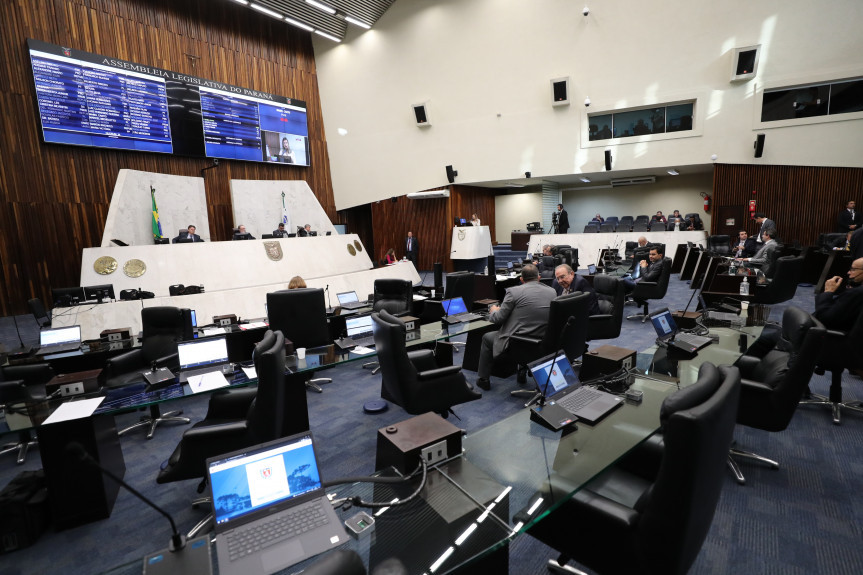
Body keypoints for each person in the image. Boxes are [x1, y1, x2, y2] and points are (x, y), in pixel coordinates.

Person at [475, 264, 556, 390]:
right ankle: (521, 370)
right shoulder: (552, 291)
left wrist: (493, 310)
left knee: (487, 337)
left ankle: (483, 379)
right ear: (539, 277)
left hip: (517, 343)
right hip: (543, 341)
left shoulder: (513, 292)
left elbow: (498, 319)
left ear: (522, 279)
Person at [814, 257, 863, 333]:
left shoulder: (856, 293)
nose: (848, 272)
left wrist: (828, 292)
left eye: (853, 269)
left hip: (832, 337)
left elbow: (824, 318)